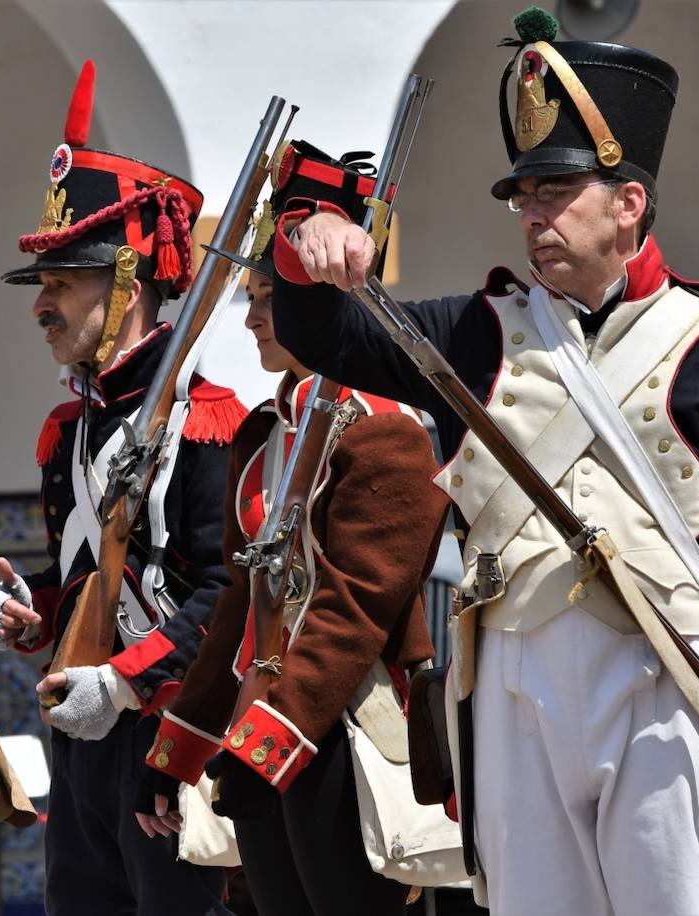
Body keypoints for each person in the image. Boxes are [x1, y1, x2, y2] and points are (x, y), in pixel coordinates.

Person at [266, 8, 699, 914]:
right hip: (514, 669)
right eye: (525, 198)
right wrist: (309, 230)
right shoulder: (477, 331)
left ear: (628, 202)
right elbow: (319, 331)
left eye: (556, 192)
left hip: (667, 669)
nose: (533, 217)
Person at [134, 143, 452, 916]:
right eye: (251, 295)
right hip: (263, 734)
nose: (252, 318)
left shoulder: (389, 431)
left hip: (341, 730)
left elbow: (357, 607)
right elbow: (237, 615)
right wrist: (182, 746)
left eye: (270, 296)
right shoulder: (264, 433)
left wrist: (271, 738)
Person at [0, 60, 243, 915]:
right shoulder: (70, 431)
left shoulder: (209, 422)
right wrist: (39, 616)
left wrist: (126, 682)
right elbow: (100, 582)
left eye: (61, 283)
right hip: (87, 737)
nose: (41, 305)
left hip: (172, 736)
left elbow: (221, 595)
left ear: (126, 283)